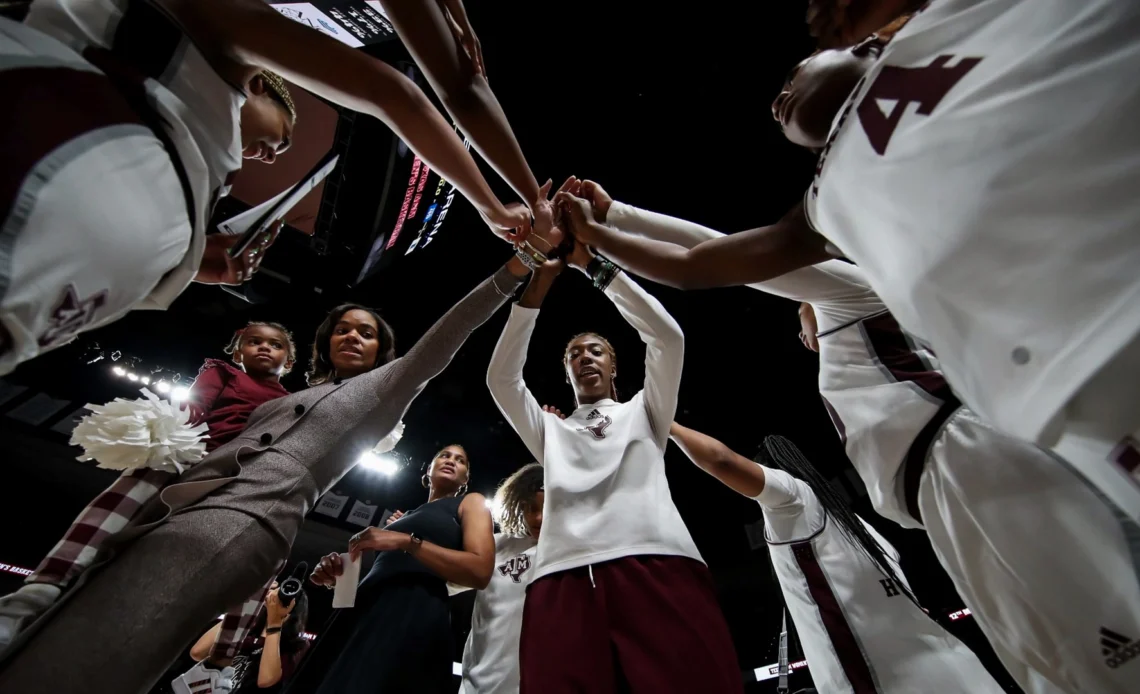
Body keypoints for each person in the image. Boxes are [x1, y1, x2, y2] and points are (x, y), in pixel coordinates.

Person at [556, 0, 1140, 525]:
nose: (779, 99)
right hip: (1056, 401)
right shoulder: (831, 192)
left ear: (865, 40)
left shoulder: (959, 23)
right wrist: (611, 221)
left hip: (1099, 324)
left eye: (798, 67)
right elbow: (701, 261)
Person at [589, 181, 1140, 692]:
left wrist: (613, 220)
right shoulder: (858, 319)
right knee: (1053, 665)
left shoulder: (853, 291)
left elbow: (717, 252)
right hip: (940, 481)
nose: (796, 329)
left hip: (960, 453)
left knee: (1098, 643)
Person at [0, 253, 531, 694]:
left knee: (108, 640)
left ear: (382, 350)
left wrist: (512, 270)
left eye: (366, 334)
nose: (352, 337)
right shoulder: (287, 394)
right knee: (72, 620)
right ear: (323, 343)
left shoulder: (383, 391)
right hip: (184, 503)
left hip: (245, 519)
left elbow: (445, 338)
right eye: (342, 329)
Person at [2, 0, 548, 373]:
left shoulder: (195, 172)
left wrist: (192, 261)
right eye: (280, 140)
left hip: (63, 293)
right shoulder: (215, 35)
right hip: (53, 144)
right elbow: (401, 94)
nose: (267, 154)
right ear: (263, 85)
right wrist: (498, 202)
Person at [486, 242, 743, 693]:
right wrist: (539, 284)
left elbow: (667, 337)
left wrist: (592, 265)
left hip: (656, 558)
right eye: (574, 355)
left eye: (596, 351)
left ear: (614, 366)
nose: (585, 357)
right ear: (567, 373)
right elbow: (501, 378)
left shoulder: (647, 409)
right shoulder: (550, 430)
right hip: (560, 574)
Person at [0, 320, 295, 652]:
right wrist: (170, 435)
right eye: (255, 342)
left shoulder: (291, 400)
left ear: (290, 361)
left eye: (275, 344)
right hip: (193, 454)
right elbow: (194, 408)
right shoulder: (224, 372)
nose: (265, 348)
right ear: (238, 351)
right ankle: (33, 595)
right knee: (139, 482)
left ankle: (219, 655)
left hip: (232, 478)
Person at [671, 426, 1004, 694]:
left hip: (886, 679)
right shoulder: (863, 528)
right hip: (960, 668)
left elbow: (720, 460)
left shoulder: (794, 499)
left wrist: (664, 421)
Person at [289, 444, 492, 694]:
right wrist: (336, 577)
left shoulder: (471, 503)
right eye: (444, 455)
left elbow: (480, 571)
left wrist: (408, 542)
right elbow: (386, 569)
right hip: (362, 610)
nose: (451, 461)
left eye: (461, 461)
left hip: (412, 610)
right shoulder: (404, 516)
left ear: (465, 479)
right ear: (428, 470)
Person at [459, 462, 543, 694]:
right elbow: (445, 581)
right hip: (477, 680)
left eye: (549, 508)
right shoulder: (493, 545)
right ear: (516, 504)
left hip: (535, 681)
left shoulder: (569, 550)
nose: (538, 518)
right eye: (530, 507)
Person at [175, 579, 310, 694]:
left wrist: (276, 622)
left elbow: (266, 680)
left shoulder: (294, 646)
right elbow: (197, 653)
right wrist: (251, 603)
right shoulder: (246, 632)